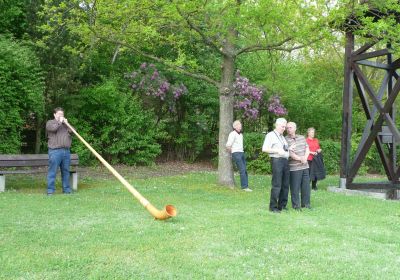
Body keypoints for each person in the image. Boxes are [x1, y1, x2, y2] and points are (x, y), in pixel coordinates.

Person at [262, 118, 290, 213]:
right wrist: (277, 150)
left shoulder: (282, 137)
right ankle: (273, 207)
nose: (284, 128)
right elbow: (264, 148)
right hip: (277, 160)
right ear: (277, 125)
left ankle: (282, 205)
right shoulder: (270, 135)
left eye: (285, 127)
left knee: (285, 184)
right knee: (277, 184)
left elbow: (285, 149)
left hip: (285, 161)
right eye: (282, 126)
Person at [46, 107, 73, 195]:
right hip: (55, 151)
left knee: (66, 171)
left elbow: (73, 131)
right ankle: (50, 191)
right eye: (59, 114)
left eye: (62, 114)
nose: (61, 116)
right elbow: (53, 129)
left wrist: (67, 123)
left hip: (66, 151)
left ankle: (66, 190)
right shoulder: (50, 123)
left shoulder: (65, 125)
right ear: (54, 114)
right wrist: (59, 122)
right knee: (52, 171)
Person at [286, 122, 311, 210]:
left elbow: (307, 149)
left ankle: (306, 204)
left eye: (290, 127)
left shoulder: (302, 137)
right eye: (287, 128)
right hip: (294, 168)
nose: (288, 129)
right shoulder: (285, 139)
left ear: (295, 128)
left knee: (306, 187)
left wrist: (305, 158)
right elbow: (290, 153)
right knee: (295, 188)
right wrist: (301, 159)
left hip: (305, 166)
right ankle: (296, 206)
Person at [226, 120, 252, 192]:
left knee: (245, 170)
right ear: (235, 126)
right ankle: (244, 187)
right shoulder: (232, 134)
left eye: (240, 125)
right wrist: (233, 153)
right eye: (239, 125)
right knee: (242, 170)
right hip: (236, 153)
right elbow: (228, 145)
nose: (240, 126)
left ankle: (246, 185)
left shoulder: (241, 135)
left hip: (242, 153)